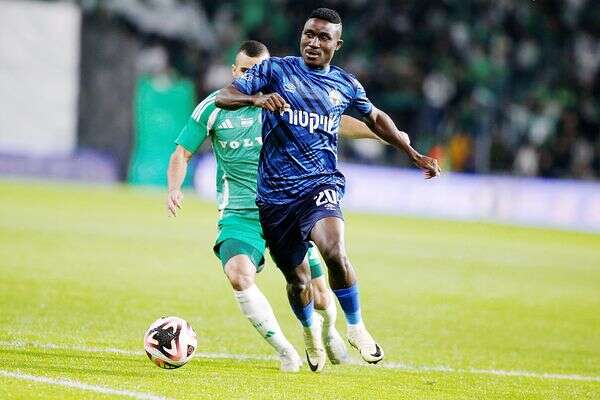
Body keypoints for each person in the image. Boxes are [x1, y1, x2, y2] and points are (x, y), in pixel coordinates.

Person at [216, 8, 440, 372]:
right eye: (309, 34)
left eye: (323, 37)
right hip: (275, 197)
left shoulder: (345, 84)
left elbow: (375, 117)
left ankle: (357, 327)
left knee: (334, 250)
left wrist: (412, 153)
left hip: (320, 185)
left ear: (338, 44)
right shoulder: (275, 71)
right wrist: (256, 99)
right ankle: (310, 332)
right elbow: (224, 96)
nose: (313, 42)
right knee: (298, 281)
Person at [166, 40, 384, 372]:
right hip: (241, 215)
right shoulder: (213, 107)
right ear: (234, 72)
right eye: (245, 71)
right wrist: (174, 188)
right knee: (238, 275)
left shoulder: (290, 98)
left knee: (320, 296)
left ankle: (328, 331)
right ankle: (286, 351)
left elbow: (337, 121)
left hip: (289, 208)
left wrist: (379, 133)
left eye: (259, 71)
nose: (252, 77)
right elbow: (182, 152)